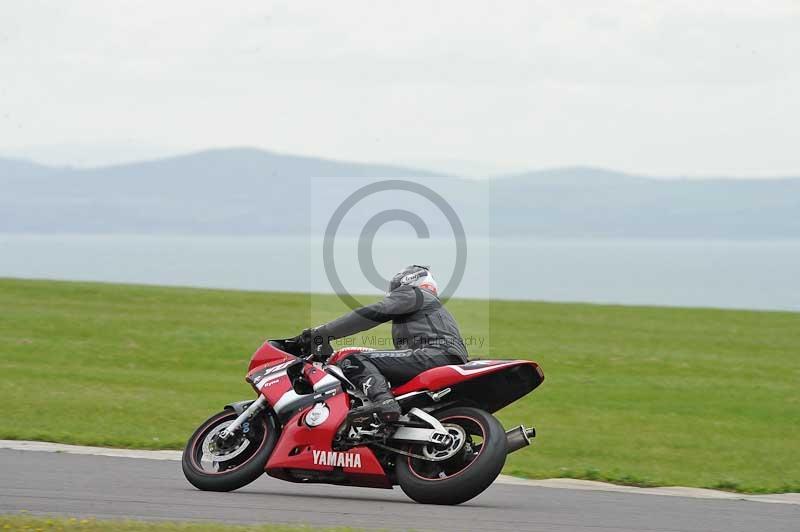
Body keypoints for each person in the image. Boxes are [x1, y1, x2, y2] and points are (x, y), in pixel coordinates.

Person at [301, 265, 468, 426]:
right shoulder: (434, 307)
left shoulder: (414, 294)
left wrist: (322, 332)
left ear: (409, 281)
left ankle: (384, 403)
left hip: (433, 354)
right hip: (446, 358)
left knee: (354, 360)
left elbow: (371, 314)